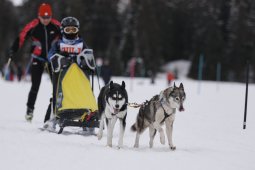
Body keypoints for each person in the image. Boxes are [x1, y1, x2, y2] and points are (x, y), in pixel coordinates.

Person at [7, 3, 61, 121]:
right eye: (43, 17)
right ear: (39, 16)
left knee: (58, 87)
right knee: (35, 85)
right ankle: (29, 110)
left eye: (48, 17)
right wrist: (13, 49)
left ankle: (59, 110)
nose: (46, 20)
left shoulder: (56, 25)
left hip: (53, 60)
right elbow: (21, 37)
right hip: (38, 59)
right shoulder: (33, 25)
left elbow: (69, 35)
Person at [45, 16, 96, 135]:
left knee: (85, 92)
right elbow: (50, 55)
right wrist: (58, 58)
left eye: (73, 30)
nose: (71, 33)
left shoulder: (81, 43)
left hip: (80, 76)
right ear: (63, 30)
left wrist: (84, 59)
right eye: (68, 30)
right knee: (57, 96)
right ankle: (53, 118)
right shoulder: (58, 43)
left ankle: (87, 115)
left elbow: (89, 56)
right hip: (63, 76)